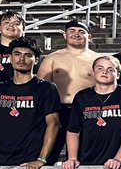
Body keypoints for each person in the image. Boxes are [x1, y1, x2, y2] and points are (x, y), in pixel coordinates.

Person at [0, 37, 61, 169]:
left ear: (36, 60)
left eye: (28, 55)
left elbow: (54, 124)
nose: (22, 59)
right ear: (10, 58)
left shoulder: (46, 88)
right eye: (17, 54)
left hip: (32, 164)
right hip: (3, 161)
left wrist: (42, 159)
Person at [61, 55, 121, 169]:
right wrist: (72, 158)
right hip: (84, 168)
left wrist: (118, 159)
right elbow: (73, 131)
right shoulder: (82, 97)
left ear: (118, 75)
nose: (104, 72)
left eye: (111, 69)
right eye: (100, 68)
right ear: (93, 72)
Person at [38, 19, 99, 149]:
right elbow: (40, 87)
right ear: (65, 35)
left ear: (89, 37)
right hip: (58, 110)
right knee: (51, 150)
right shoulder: (52, 58)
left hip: (87, 110)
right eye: (71, 31)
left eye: (81, 31)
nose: (76, 34)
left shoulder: (97, 60)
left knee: (83, 151)